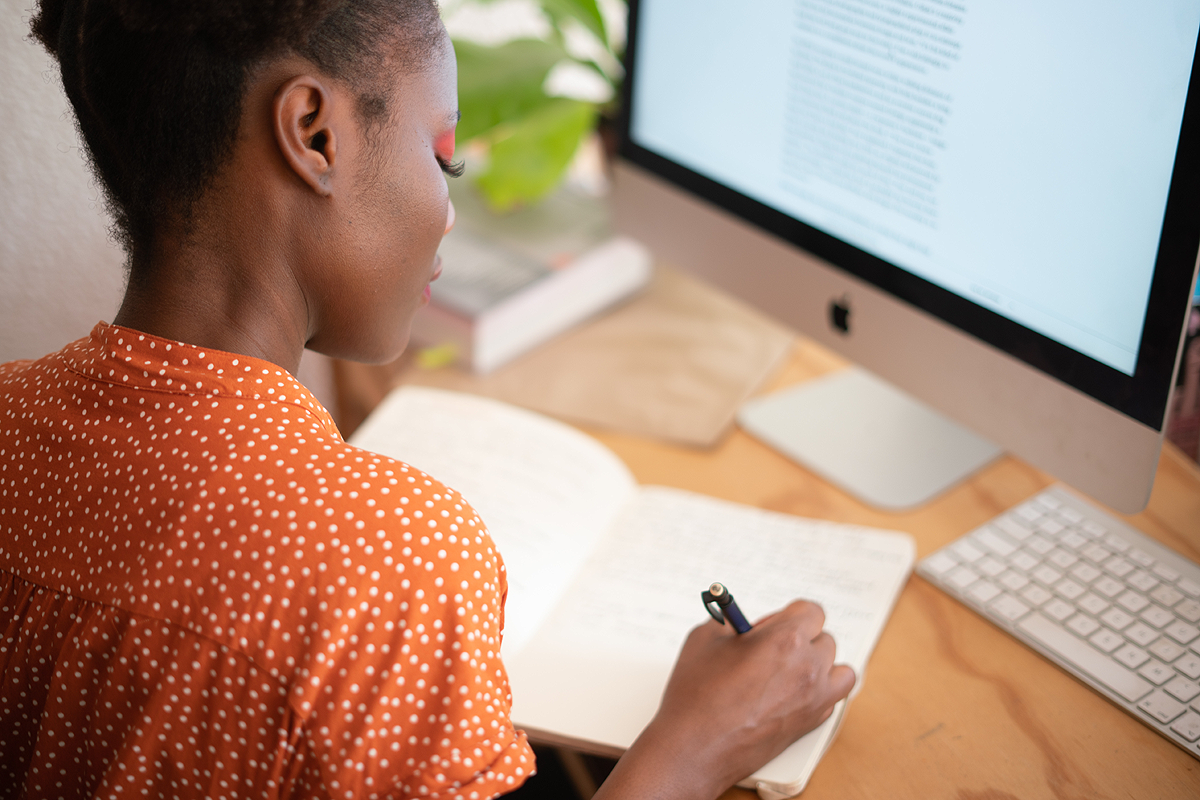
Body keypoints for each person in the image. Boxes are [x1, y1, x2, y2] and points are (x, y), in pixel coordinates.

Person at [0, 1, 856, 798]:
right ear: (314, 133)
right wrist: (700, 739)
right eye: (441, 154)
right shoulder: (386, 566)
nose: (449, 212)